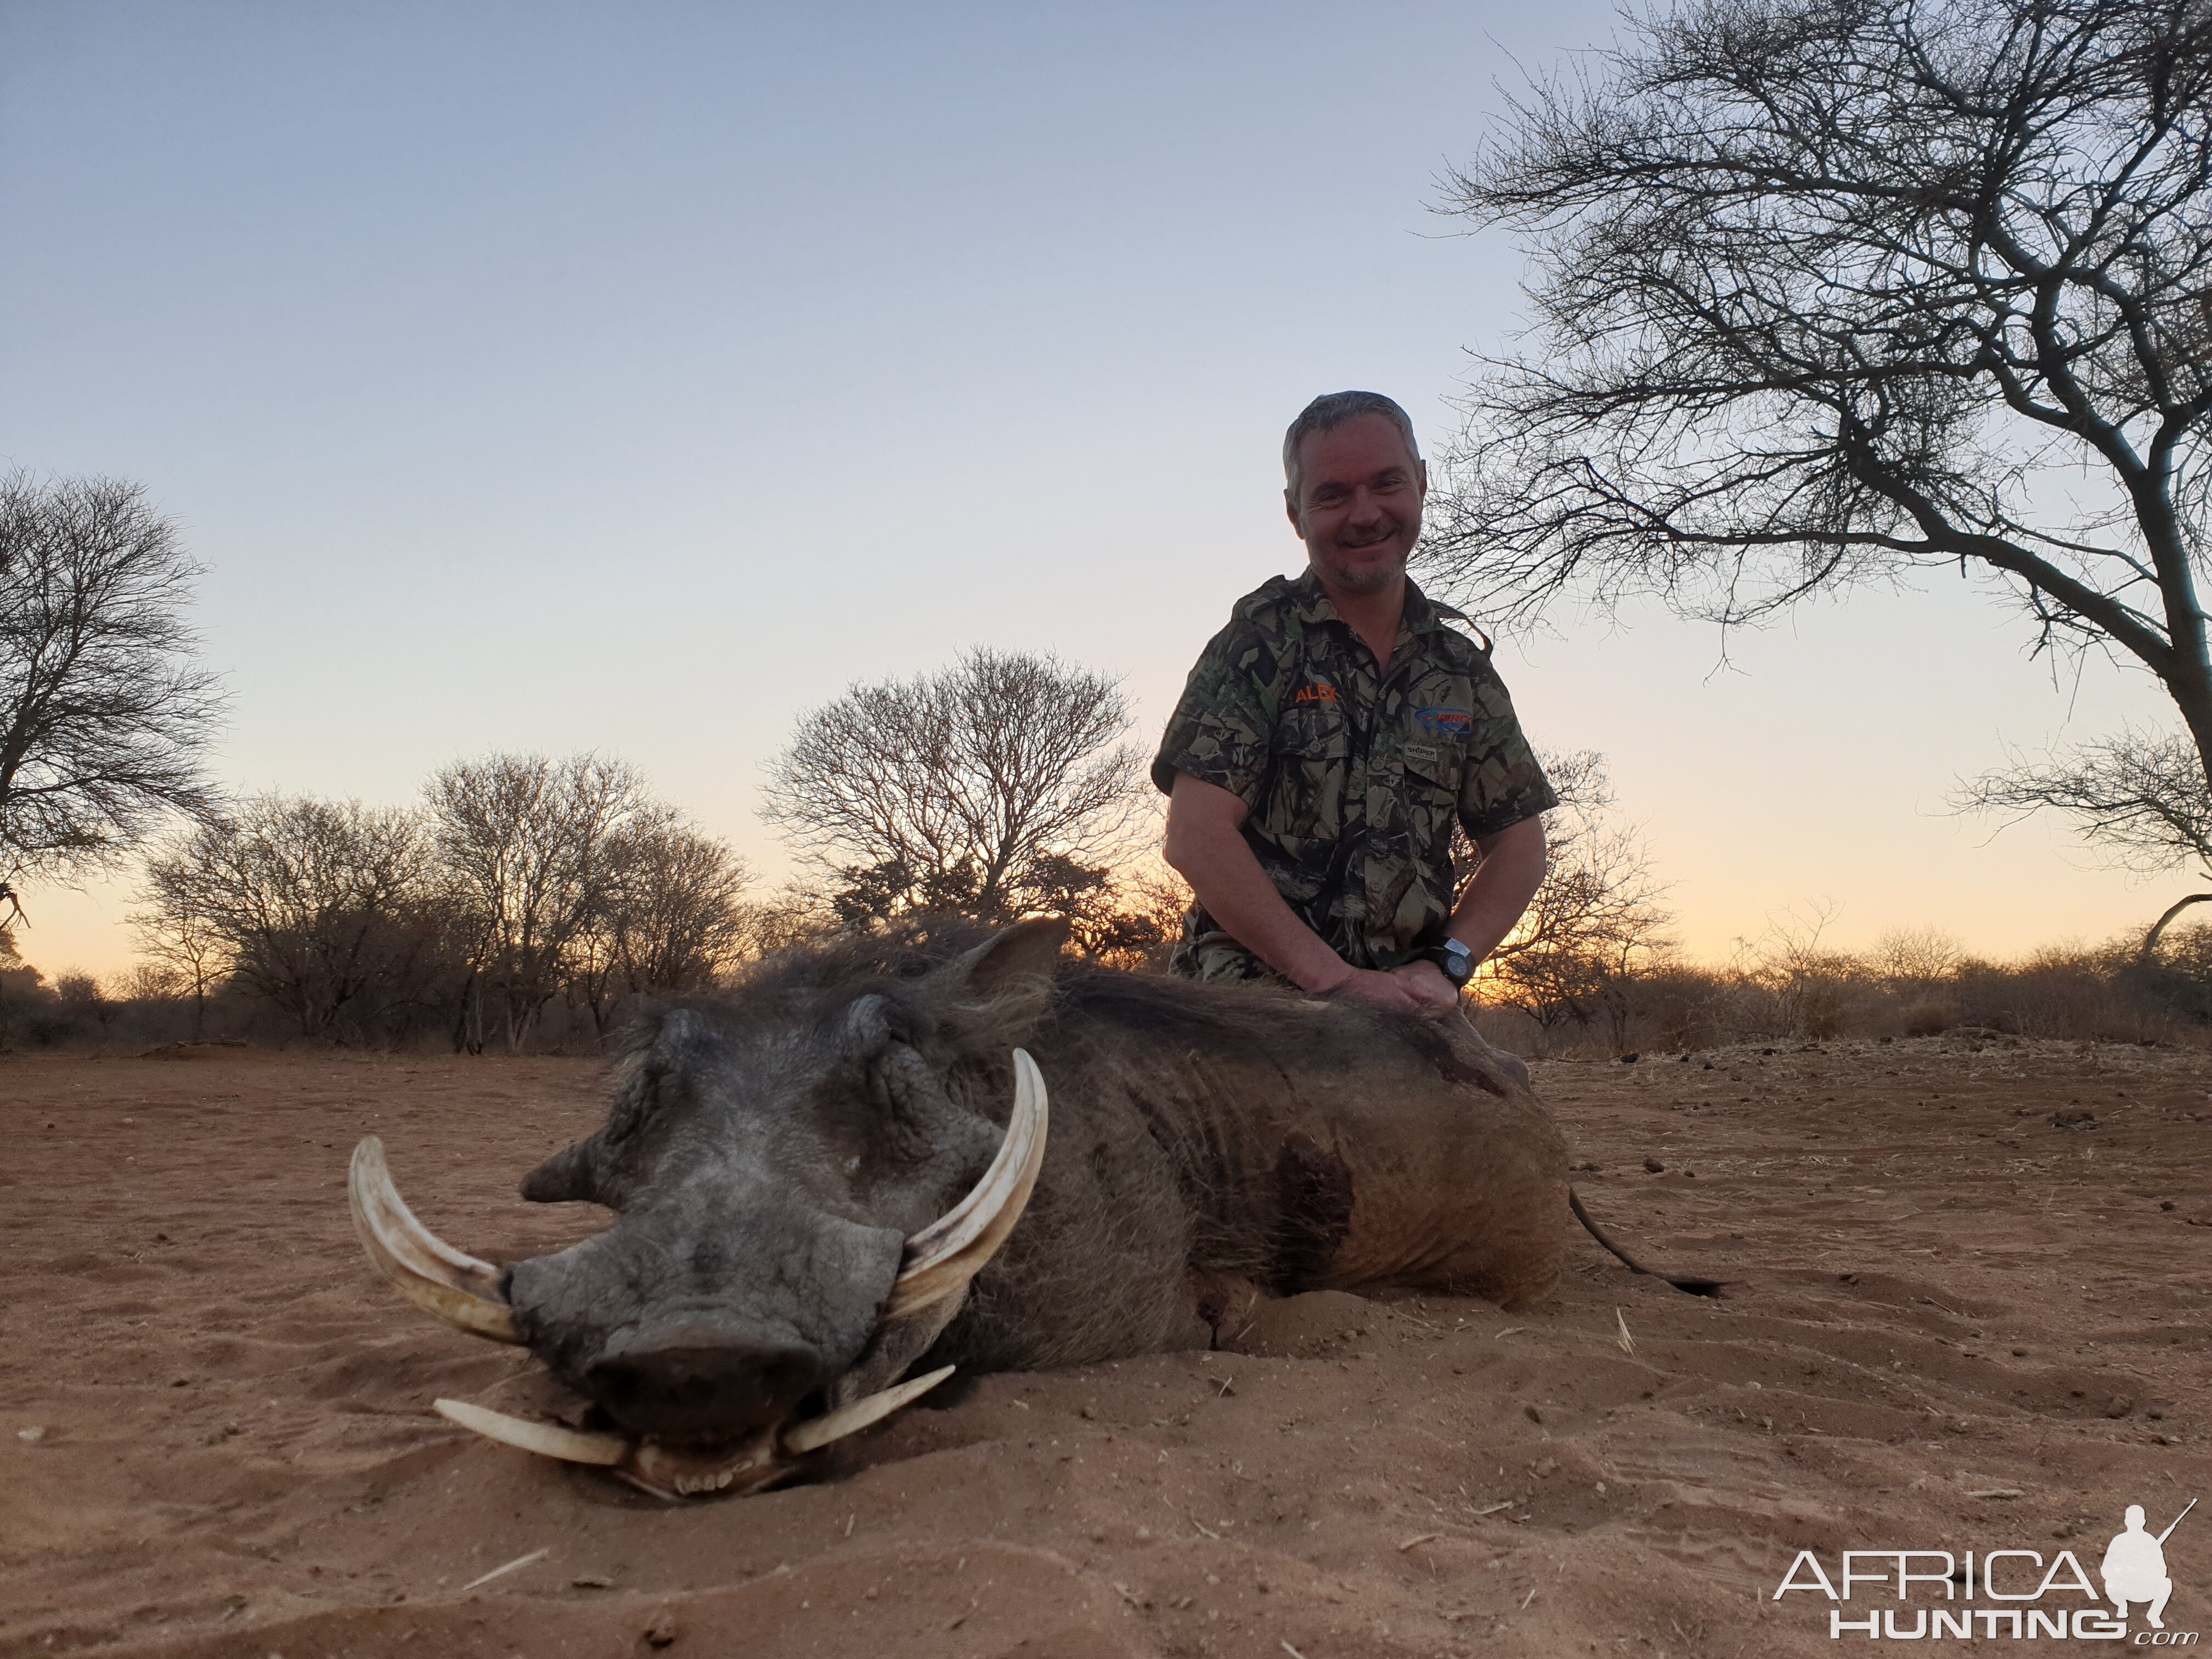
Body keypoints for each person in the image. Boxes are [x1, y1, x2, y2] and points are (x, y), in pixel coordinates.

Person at [1153, 390, 1554, 1018]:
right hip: (1250, 998)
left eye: (1387, 483)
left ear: (1421, 483)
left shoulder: (1462, 670)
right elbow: (1196, 837)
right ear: (1296, 513)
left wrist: (1446, 965)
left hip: (1408, 1005)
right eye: (1333, 495)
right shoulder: (1257, 642)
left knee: (1507, 1095)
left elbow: (1521, 848)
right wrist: (1334, 982)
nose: (1365, 514)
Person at [2101, 1504, 2178, 1629]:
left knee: (2166, 1583)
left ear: (2143, 1522)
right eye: (2132, 1520)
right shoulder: (2118, 1541)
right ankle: (2122, 1606)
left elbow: (2162, 1570)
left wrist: (2146, 1571)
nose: (2134, 1523)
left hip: (2144, 1589)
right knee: (2110, 1583)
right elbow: (2106, 1569)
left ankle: (2154, 1615)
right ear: (2126, 1522)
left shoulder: (2151, 1541)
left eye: (2137, 1520)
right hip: (2122, 1588)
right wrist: (2121, 1573)